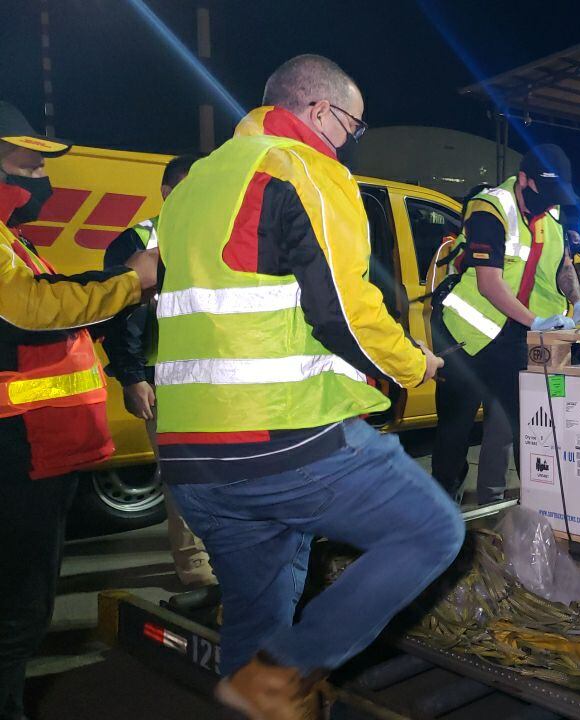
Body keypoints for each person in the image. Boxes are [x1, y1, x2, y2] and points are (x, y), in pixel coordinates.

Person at [152, 55, 463, 718]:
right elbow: (342, 309)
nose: (351, 140)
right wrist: (414, 364)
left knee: (256, 622)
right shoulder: (303, 168)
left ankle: (259, 684)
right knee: (431, 531)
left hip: (189, 455)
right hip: (283, 439)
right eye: (353, 125)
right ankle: (286, 671)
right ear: (320, 112)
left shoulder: (197, 182)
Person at [0, 101, 158, 720]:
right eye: (28, 163)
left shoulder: (13, 237)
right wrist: (130, 280)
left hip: (35, 449)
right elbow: (32, 310)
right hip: (20, 451)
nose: (42, 176)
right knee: (18, 606)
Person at [432, 144, 580, 505]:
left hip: (511, 337)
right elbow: (488, 282)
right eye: (546, 192)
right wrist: (535, 320)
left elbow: (563, 265)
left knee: (527, 425)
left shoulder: (552, 214)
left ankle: (539, 509)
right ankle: (443, 510)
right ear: (524, 180)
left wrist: (579, 303)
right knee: (454, 433)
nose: (551, 203)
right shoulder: (490, 208)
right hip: (465, 337)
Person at [101, 154, 219, 595]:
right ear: (167, 193)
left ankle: (222, 553)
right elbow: (119, 317)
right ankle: (195, 566)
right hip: (164, 376)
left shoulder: (221, 234)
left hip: (218, 373)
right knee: (185, 473)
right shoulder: (138, 240)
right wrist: (132, 378)